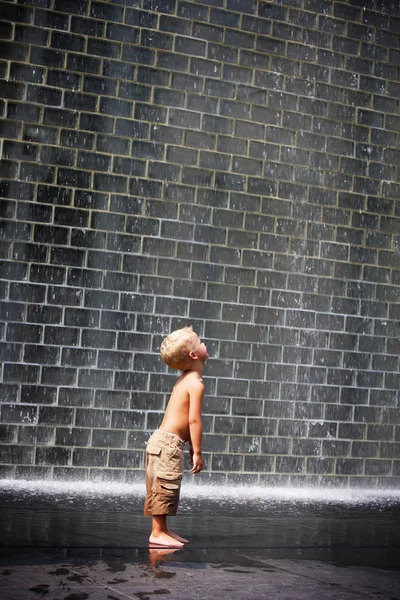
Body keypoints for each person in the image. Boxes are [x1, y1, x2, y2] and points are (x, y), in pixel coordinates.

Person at [144, 326, 208, 548]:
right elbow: (193, 420)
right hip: (168, 444)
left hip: (162, 441)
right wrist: (198, 451)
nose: (204, 343)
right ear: (193, 354)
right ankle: (157, 533)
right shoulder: (195, 383)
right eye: (200, 342)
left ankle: (163, 530)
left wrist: (189, 445)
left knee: (160, 486)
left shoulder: (185, 379)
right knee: (165, 486)